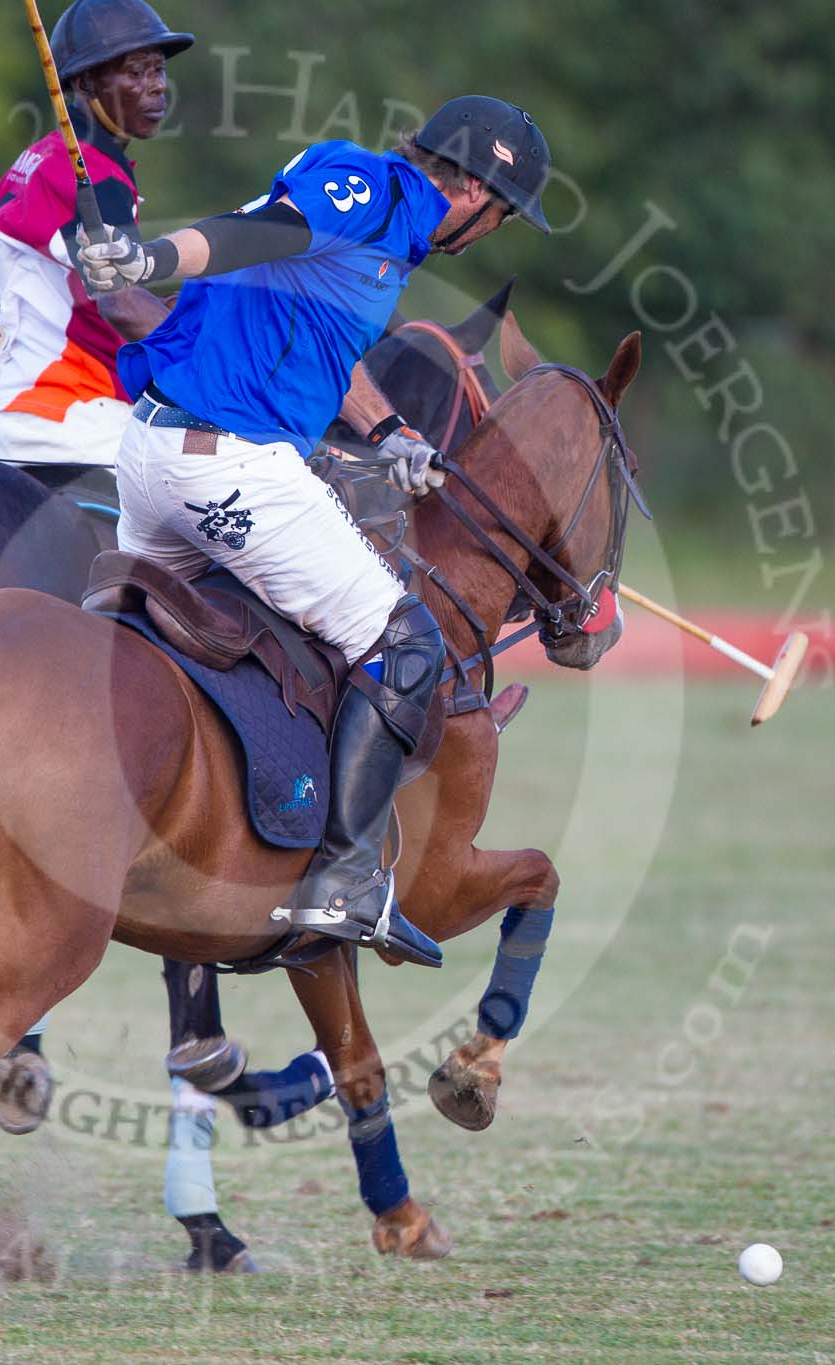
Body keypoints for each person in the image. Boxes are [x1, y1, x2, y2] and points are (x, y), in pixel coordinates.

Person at [78, 96, 554, 968]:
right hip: (222, 462)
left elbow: (325, 356)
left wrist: (391, 435)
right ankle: (343, 878)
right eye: (505, 213)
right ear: (476, 193)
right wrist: (150, 255)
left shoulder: (388, 239)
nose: (496, 232)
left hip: (157, 454)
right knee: (407, 642)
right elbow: (244, 236)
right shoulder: (368, 188)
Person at [0, 0, 187, 469]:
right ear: (82, 83)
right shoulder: (86, 173)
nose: (156, 86)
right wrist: (219, 363)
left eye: (158, 70)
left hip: (10, 408)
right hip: (61, 416)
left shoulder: (47, 157)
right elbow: (121, 304)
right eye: (135, 72)